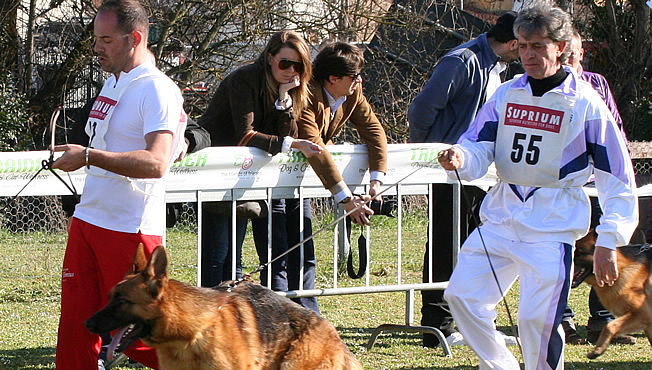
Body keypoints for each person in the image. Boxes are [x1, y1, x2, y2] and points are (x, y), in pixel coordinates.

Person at [440, 1, 637, 370]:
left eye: (538, 46)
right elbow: (479, 144)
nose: (529, 54)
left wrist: (610, 238)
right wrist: (460, 156)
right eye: (523, 45)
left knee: (536, 319)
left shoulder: (585, 104)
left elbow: (617, 177)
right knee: (461, 298)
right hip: (501, 216)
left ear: (562, 47)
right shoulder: (506, 94)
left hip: (553, 225)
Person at [37, 0, 187, 370]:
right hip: (89, 220)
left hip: (130, 230)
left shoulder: (157, 90)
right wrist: (83, 155)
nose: (96, 49)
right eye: (96, 39)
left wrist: (89, 156)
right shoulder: (112, 81)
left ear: (134, 39)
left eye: (105, 41)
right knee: (77, 327)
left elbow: (157, 162)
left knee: (138, 332)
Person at [407, 12, 520, 348]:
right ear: (513, 43)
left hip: (481, 172)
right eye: (524, 45)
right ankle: (438, 323)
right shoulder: (462, 60)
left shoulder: (496, 67)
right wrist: (431, 153)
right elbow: (421, 110)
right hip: (450, 169)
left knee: (474, 244)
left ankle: (473, 319)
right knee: (446, 242)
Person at [197, 31, 322, 313]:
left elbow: (284, 134)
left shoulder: (287, 90)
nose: (291, 71)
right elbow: (245, 135)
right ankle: (209, 316)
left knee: (234, 256)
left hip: (245, 179)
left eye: (298, 66)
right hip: (217, 173)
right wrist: (289, 143)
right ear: (269, 58)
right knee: (218, 253)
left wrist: (284, 100)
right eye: (285, 63)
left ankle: (228, 318)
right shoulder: (244, 79)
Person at [560, 30, 635, 345]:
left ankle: (602, 319)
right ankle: (561, 319)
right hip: (568, 188)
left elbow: (615, 128)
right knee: (565, 253)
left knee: (607, 252)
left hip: (599, 185)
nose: (572, 60)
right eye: (567, 55)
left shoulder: (597, 84)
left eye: (576, 54)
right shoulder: (548, 89)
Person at [298, 41, 388, 227]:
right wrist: (346, 199)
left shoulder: (353, 92)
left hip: (306, 175)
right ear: (333, 78)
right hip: (276, 177)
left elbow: (373, 130)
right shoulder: (305, 95)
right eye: (354, 76)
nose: (360, 80)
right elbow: (315, 145)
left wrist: (376, 182)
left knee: (306, 252)